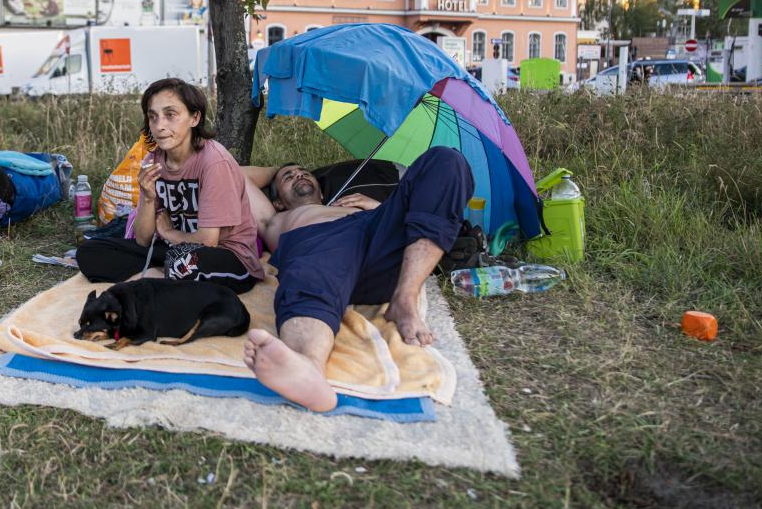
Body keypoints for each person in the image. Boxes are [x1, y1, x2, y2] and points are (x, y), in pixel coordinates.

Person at [240, 148, 473, 412]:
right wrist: (277, 168)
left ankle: (406, 295)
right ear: (278, 202)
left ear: (323, 192)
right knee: (309, 272)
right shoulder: (273, 219)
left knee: (446, 159)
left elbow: (420, 209)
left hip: (376, 238)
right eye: (289, 177)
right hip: (319, 246)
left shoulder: (356, 205)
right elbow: (235, 174)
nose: (299, 175)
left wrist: (379, 209)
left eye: (304, 173)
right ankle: (308, 368)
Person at [75, 78, 260, 294]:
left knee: (180, 264)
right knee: (90, 252)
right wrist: (148, 197)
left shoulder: (214, 162)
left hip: (226, 256)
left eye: (170, 115)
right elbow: (143, 240)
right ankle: (159, 276)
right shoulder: (153, 162)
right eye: (153, 117)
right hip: (176, 250)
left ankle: (155, 279)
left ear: (195, 117)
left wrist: (170, 234)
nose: (159, 126)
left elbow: (208, 241)